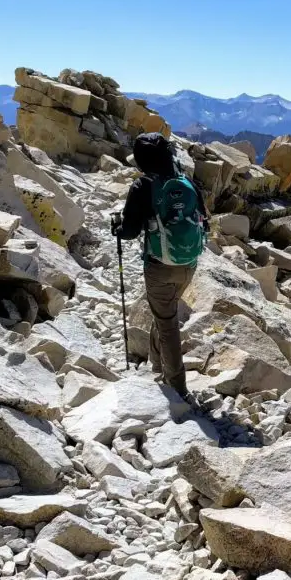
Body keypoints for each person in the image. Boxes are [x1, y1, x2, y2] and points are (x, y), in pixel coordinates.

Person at [111, 132, 208, 397]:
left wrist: (117, 228)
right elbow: (204, 220)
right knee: (163, 311)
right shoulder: (186, 182)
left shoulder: (143, 186)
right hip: (188, 263)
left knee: (167, 323)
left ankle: (177, 387)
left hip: (159, 265)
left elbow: (129, 232)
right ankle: (157, 364)